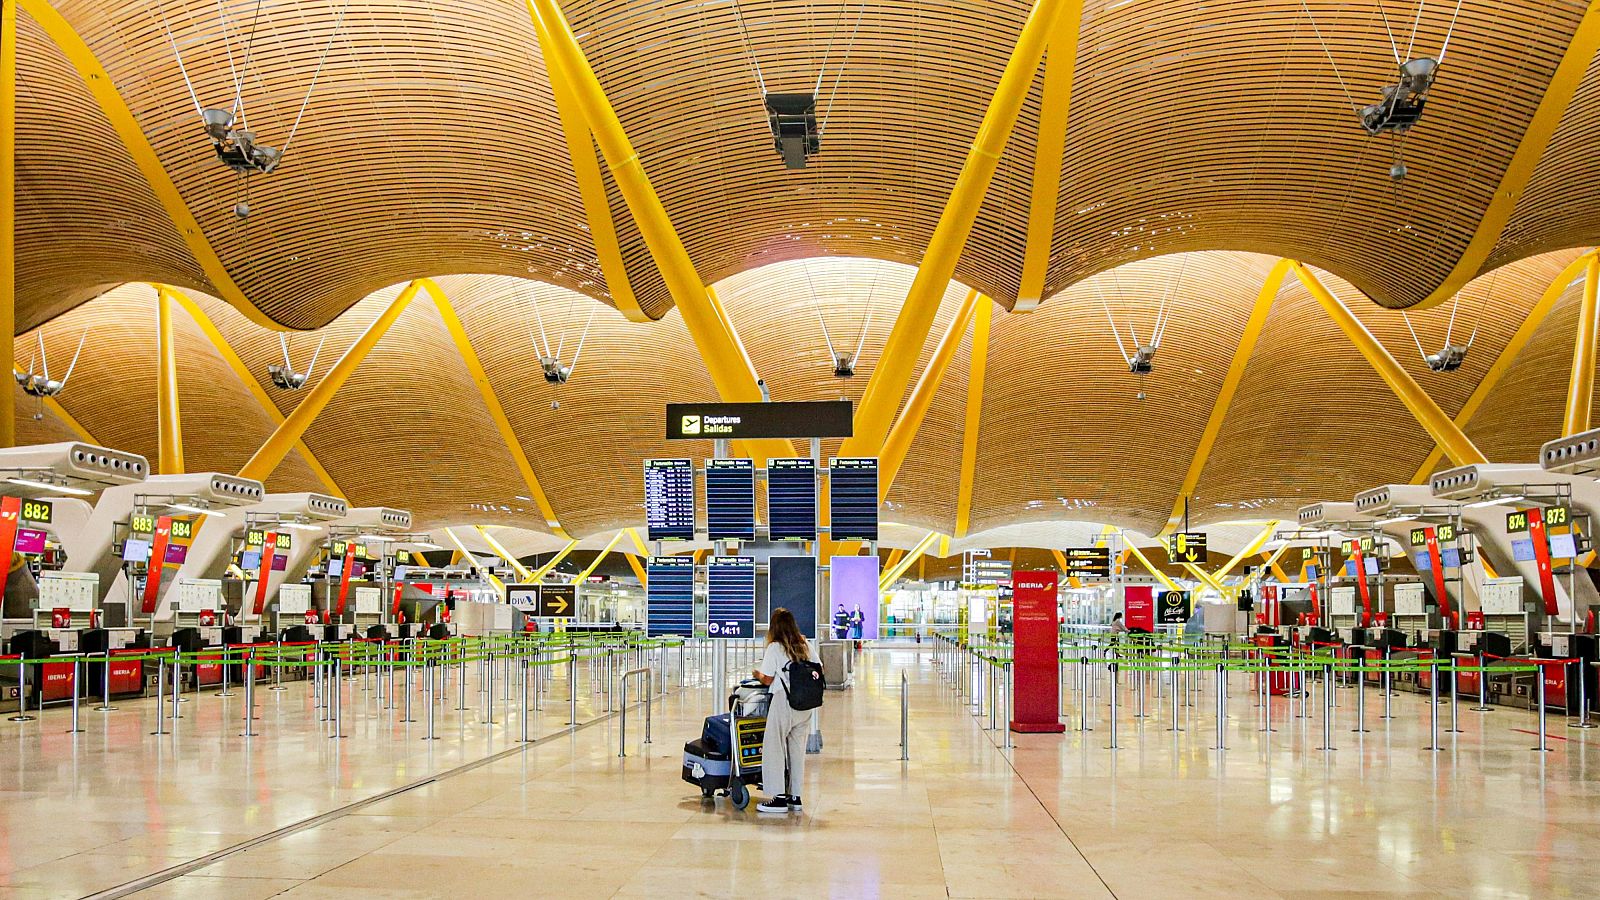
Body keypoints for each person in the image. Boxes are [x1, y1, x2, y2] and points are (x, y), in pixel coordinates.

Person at [752, 607, 821, 814]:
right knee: (797, 750)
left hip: (784, 701)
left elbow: (767, 679)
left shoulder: (775, 647)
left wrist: (756, 674)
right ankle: (795, 797)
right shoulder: (805, 644)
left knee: (774, 746)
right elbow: (820, 668)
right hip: (806, 703)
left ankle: (779, 798)